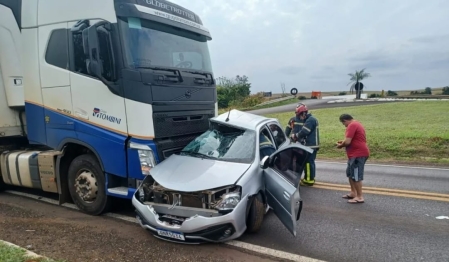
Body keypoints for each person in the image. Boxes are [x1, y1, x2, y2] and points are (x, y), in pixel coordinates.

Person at [336, 114, 370, 204]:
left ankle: (359, 197)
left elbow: (347, 142)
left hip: (358, 154)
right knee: (350, 174)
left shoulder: (352, 125)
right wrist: (342, 142)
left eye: (343, 123)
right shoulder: (356, 124)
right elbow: (350, 140)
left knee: (356, 175)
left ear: (345, 120)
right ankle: (353, 193)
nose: (344, 125)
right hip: (354, 154)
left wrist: (341, 145)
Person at [289, 104, 320, 186]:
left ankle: (309, 180)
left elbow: (304, 132)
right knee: (308, 162)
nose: (298, 116)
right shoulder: (307, 119)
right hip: (309, 145)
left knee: (308, 162)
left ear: (303, 113)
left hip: (311, 145)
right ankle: (310, 177)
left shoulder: (311, 120)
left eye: (298, 114)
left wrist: (295, 136)